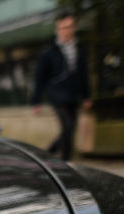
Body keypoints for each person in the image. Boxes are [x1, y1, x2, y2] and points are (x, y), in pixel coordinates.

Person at [31, 12, 92, 161]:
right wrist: (36, 101)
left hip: (74, 94)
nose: (66, 30)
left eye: (69, 27)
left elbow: (84, 73)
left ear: (74, 28)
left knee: (70, 129)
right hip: (57, 94)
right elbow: (39, 77)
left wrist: (87, 96)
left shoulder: (80, 48)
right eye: (63, 28)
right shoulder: (48, 51)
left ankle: (48, 155)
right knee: (67, 127)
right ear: (57, 30)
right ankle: (65, 161)